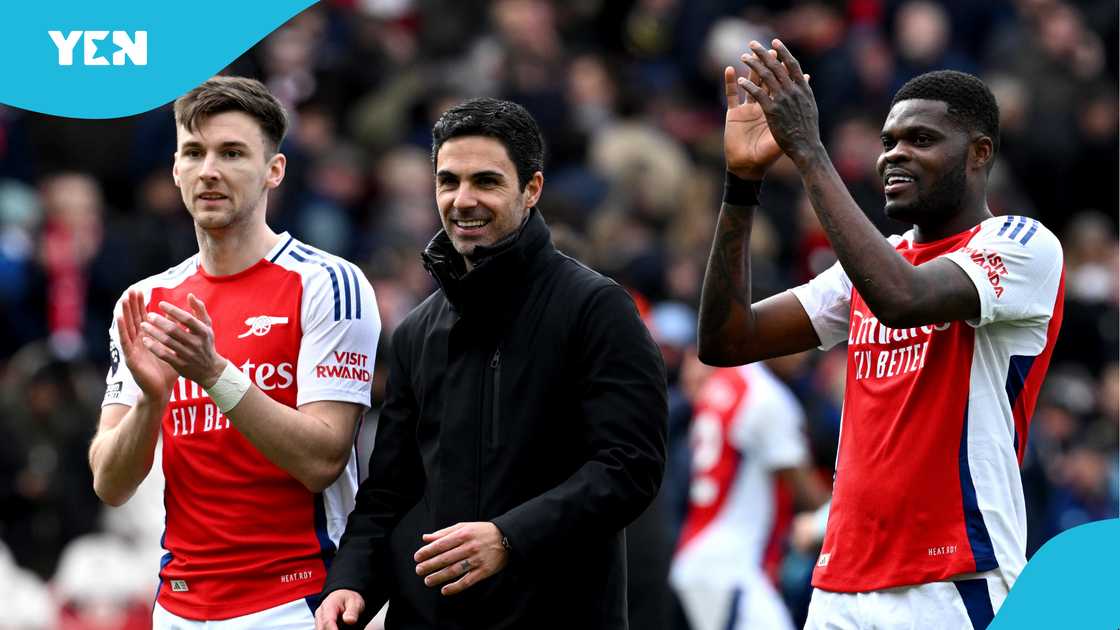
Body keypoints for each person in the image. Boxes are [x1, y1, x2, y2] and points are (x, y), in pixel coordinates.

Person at [697, 41, 1064, 630]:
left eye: (920, 140)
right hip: (840, 582)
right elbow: (727, 339)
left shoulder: (1023, 244)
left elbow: (903, 299)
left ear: (979, 153)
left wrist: (809, 151)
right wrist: (742, 184)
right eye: (888, 141)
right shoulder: (870, 267)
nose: (895, 155)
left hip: (952, 577)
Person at [315, 97, 667, 630]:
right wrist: (351, 580)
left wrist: (509, 538)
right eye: (448, 181)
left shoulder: (596, 307)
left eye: (486, 181)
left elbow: (630, 467)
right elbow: (389, 491)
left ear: (532, 189)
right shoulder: (416, 332)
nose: (463, 200)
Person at [89, 76, 380, 627]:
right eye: (194, 153)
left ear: (275, 170)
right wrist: (151, 402)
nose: (209, 170)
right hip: (178, 604)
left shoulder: (327, 283)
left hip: (295, 600)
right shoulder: (145, 300)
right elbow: (110, 483)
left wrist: (213, 373)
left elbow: (322, 461)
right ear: (175, 170)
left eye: (232, 153)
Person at [671, 360, 828, 630]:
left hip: (704, 551)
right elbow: (806, 492)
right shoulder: (766, 396)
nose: (805, 353)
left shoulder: (726, 380)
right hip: (731, 564)